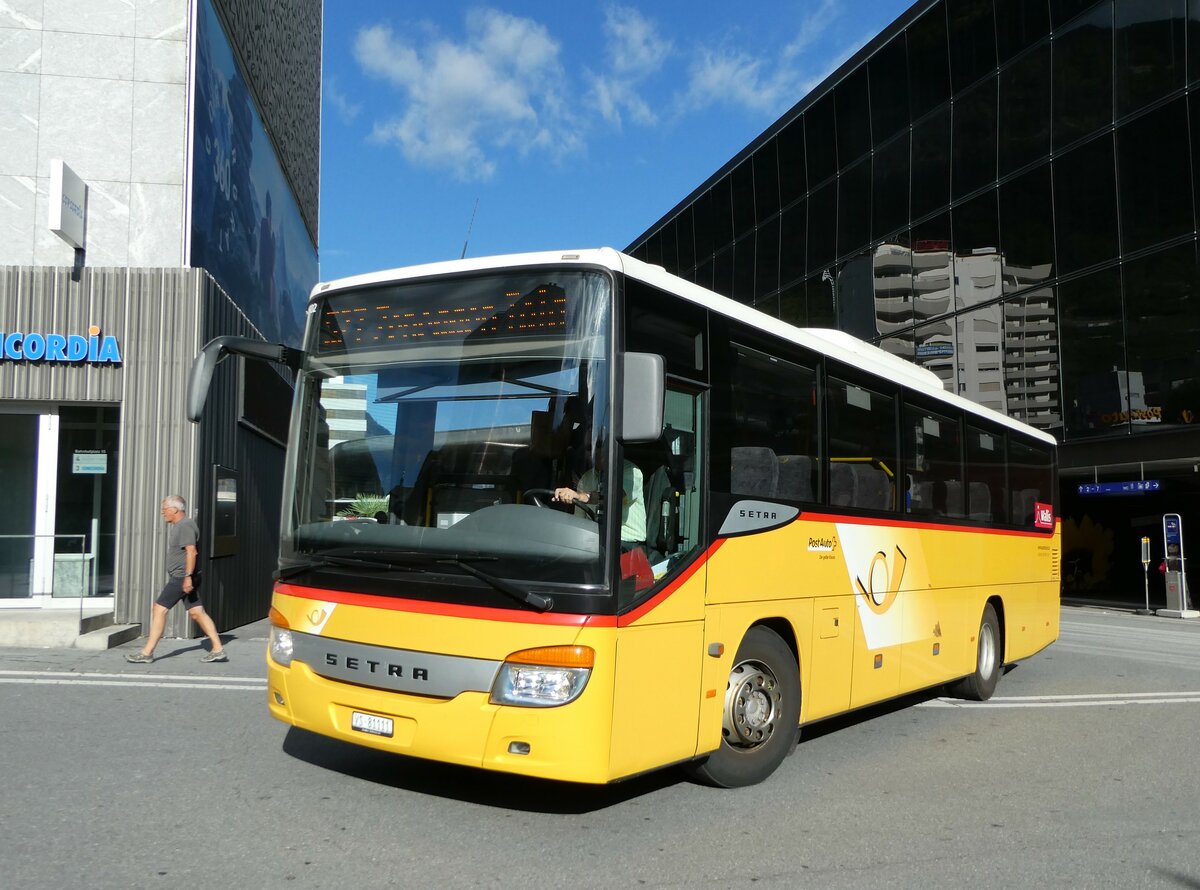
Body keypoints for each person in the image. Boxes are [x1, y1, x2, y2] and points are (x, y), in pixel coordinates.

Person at [125, 495, 227, 664]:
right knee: (196, 612)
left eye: (164, 509)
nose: (162, 512)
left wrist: (187, 577)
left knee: (159, 609)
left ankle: (146, 652)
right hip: (185, 576)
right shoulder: (182, 525)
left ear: (174, 509)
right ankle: (218, 649)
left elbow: (191, 551)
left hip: (182, 577)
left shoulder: (185, 526)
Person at [554, 458, 647, 546]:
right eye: (589, 448)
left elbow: (612, 497)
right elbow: (579, 519)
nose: (591, 453)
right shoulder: (587, 477)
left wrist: (579, 496)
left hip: (627, 543)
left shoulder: (631, 472)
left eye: (598, 446)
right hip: (593, 539)